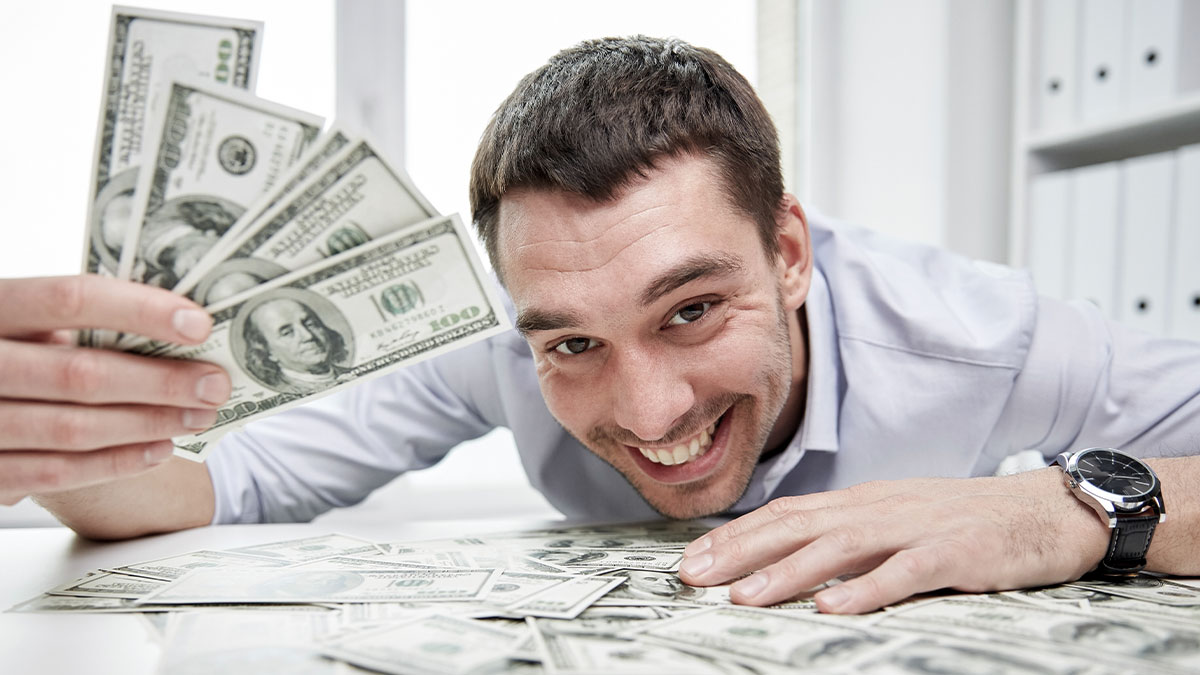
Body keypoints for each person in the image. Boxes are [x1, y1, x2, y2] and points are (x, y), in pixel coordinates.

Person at [6, 36, 1200, 616]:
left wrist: (1056, 510)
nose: (649, 412)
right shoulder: (498, 339)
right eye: (573, 344)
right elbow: (228, 486)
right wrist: (65, 432)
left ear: (789, 253)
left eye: (691, 310)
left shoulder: (981, 340)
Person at [238, 296, 351, 394]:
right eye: (287, 333)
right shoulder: (279, 391)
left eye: (310, 324)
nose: (308, 336)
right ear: (267, 351)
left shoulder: (352, 373)